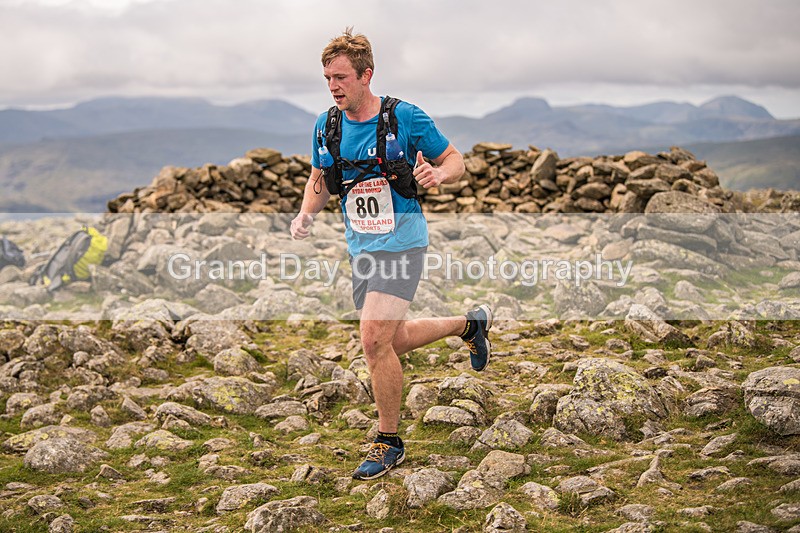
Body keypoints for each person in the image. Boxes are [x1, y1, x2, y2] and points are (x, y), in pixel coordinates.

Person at [290, 28, 493, 480]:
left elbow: (455, 158)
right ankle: (469, 324)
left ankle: (388, 441)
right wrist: (306, 214)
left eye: (341, 77)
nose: (333, 86)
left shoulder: (406, 117)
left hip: (403, 242)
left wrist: (440, 177)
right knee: (393, 341)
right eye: (327, 78)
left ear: (366, 75)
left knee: (372, 340)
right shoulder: (328, 126)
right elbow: (321, 177)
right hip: (361, 247)